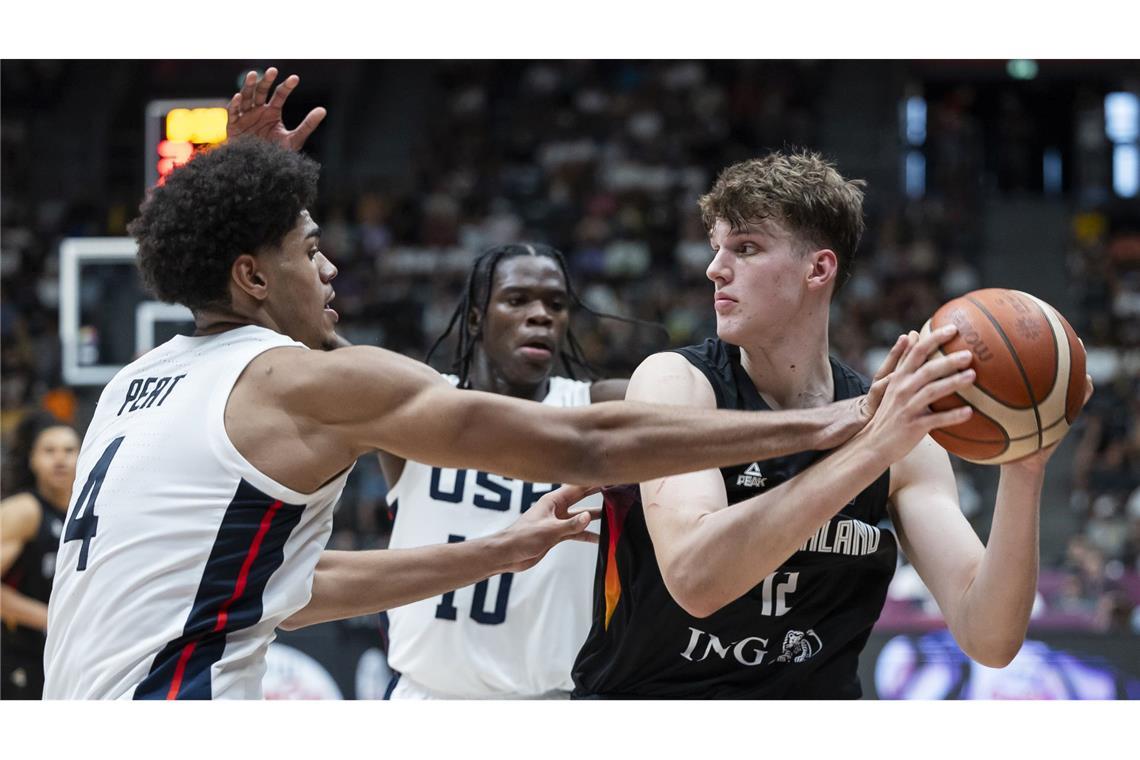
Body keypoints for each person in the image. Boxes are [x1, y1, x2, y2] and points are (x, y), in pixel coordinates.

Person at [41, 107, 895, 699]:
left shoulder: (133, 383)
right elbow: (590, 449)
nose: (332, 269)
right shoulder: (303, 382)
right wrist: (840, 421)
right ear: (253, 275)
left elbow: (287, 589)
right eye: (310, 249)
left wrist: (495, 552)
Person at [572, 151, 1095, 698]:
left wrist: (1025, 463)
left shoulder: (902, 436)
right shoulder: (676, 383)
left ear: (818, 269)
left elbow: (989, 637)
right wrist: (871, 447)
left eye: (746, 248)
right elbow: (696, 579)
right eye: (717, 248)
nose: (715, 269)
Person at [379, 242, 628, 699]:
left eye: (556, 304)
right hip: (427, 699)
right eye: (517, 300)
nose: (542, 315)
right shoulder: (418, 406)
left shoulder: (598, 409)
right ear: (476, 317)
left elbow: (696, 394)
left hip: (550, 705)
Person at [1, 413, 80, 699]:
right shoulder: (25, 510)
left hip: (73, 656)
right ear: (32, 459)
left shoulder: (91, 509)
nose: (60, 459)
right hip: (22, 656)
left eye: (69, 450)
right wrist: (50, 619)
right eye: (49, 451)